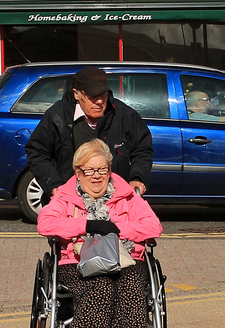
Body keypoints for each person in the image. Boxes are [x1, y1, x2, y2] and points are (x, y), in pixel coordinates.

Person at [36, 140, 162, 328]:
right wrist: (88, 225)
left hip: (126, 260)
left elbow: (154, 227)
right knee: (100, 287)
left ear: (109, 169)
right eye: (89, 170)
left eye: (102, 170)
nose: (96, 176)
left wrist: (116, 229)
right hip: (77, 261)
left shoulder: (127, 196)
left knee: (131, 288)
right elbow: (46, 224)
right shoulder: (65, 196)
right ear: (78, 172)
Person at [26, 67, 152, 203]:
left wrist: (137, 178)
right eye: (92, 96)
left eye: (103, 95)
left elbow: (142, 149)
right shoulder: (57, 116)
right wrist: (54, 185)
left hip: (114, 200)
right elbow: (37, 152)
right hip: (68, 199)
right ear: (76, 94)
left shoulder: (124, 115)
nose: (99, 101)